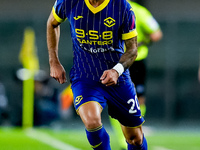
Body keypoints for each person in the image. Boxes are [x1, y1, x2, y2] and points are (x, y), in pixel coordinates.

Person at [47, 0, 147, 150]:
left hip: (118, 79)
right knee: (92, 122)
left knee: (135, 139)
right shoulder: (68, 2)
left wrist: (116, 71)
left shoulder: (122, 7)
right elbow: (52, 23)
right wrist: (54, 61)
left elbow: (132, 50)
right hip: (85, 76)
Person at [109, 1, 163, 149]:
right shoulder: (139, 11)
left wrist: (135, 44)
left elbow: (156, 34)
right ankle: (129, 136)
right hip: (131, 60)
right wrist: (141, 43)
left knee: (124, 99)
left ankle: (129, 135)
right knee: (134, 99)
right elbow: (156, 34)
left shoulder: (114, 8)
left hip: (126, 60)